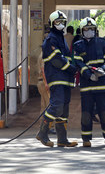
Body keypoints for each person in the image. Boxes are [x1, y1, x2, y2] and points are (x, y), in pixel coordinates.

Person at [36, 10, 78, 147]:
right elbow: (56, 60)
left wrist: (74, 66)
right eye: (57, 22)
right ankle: (42, 133)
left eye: (62, 22)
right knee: (57, 105)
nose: (60, 24)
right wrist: (71, 68)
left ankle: (62, 139)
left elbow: (65, 57)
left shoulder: (61, 38)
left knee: (64, 109)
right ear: (52, 24)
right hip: (56, 78)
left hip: (65, 79)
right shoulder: (51, 39)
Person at [74, 17, 105, 147]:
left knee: (104, 113)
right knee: (86, 114)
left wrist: (103, 69)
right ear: (82, 31)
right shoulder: (78, 45)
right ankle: (86, 139)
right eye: (86, 29)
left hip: (102, 85)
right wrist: (88, 74)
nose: (89, 31)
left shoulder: (103, 43)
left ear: (95, 30)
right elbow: (78, 62)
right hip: (87, 86)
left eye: (91, 29)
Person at [36, 51, 55, 134]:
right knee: (49, 106)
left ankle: (43, 126)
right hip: (44, 83)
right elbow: (43, 70)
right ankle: (48, 127)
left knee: (43, 106)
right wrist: (47, 83)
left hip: (41, 82)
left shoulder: (41, 54)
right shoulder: (45, 55)